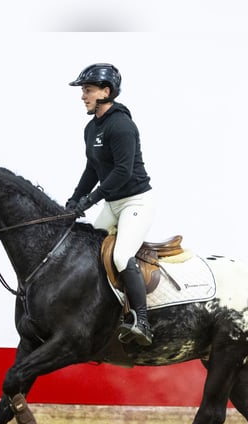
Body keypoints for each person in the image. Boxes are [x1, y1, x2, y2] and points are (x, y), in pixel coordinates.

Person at [65, 63, 155, 346]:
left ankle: (142, 321)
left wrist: (90, 201)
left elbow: (122, 172)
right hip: (113, 203)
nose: (83, 96)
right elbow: (92, 169)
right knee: (86, 251)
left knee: (120, 256)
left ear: (106, 91)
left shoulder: (122, 126)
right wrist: (74, 200)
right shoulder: (91, 129)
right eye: (83, 91)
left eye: (88, 90)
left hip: (135, 202)